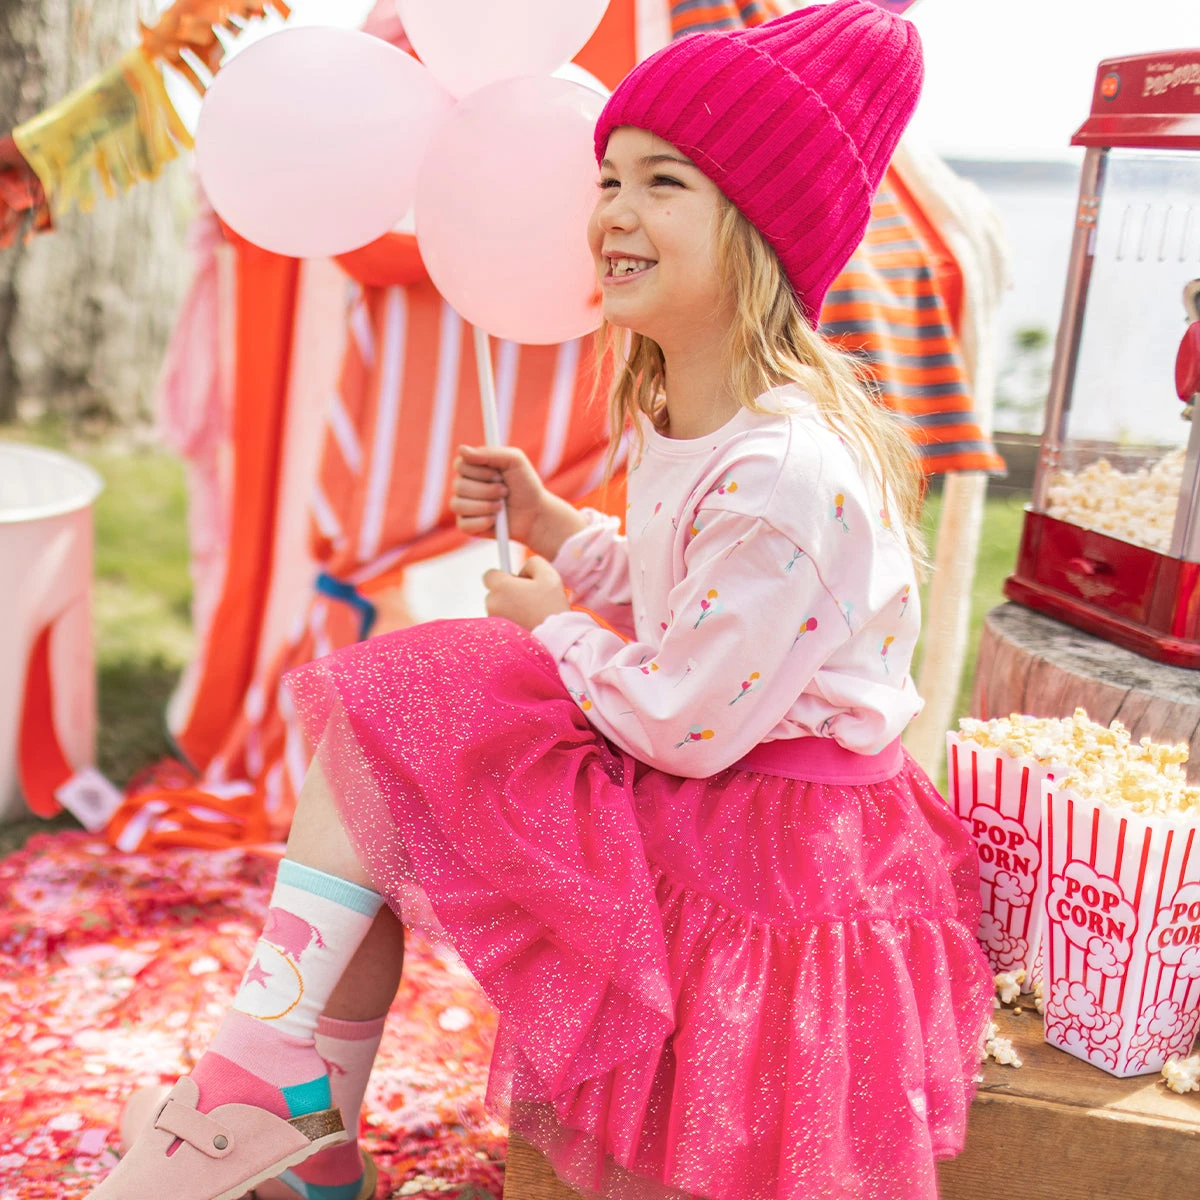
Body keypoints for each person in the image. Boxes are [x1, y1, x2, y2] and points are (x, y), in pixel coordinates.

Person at [93, 3, 994, 1198]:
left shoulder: (788, 472)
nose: (612, 211)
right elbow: (694, 601)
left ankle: (274, 1099)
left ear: (763, 232)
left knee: (429, 694)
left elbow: (683, 711)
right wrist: (572, 537)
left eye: (662, 182)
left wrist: (545, 626)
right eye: (608, 177)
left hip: (772, 846)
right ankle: (280, 1097)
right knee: (393, 721)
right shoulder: (697, 416)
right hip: (719, 777)